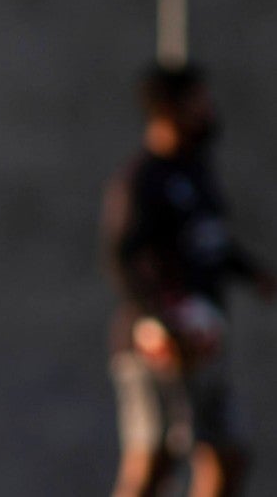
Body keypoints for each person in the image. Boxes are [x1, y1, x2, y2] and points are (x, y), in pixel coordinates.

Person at [101, 62, 274, 496]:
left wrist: (253, 274)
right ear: (169, 109)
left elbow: (210, 241)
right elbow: (120, 257)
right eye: (198, 102)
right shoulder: (142, 179)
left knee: (228, 453)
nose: (208, 111)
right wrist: (158, 319)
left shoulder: (197, 171)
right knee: (154, 457)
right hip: (156, 346)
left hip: (205, 339)